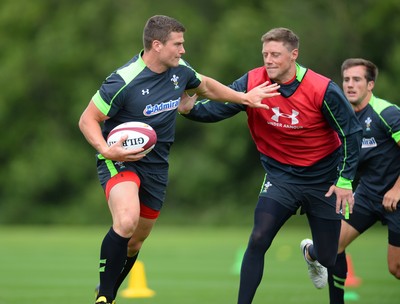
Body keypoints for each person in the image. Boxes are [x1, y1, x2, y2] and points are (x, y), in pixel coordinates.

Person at [78, 15, 280, 304]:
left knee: (135, 242)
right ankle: (105, 299)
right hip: (120, 159)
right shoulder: (123, 81)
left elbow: (206, 86)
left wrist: (244, 98)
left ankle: (105, 289)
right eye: (178, 44)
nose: (183, 50)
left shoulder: (180, 71)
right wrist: (107, 150)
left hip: (157, 166)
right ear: (157, 45)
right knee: (126, 221)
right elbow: (87, 119)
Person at [178, 27, 363, 303]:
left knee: (328, 255)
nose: (269, 60)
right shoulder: (254, 80)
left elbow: (352, 133)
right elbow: (223, 106)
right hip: (281, 176)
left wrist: (345, 181)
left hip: (323, 178)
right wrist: (191, 111)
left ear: (294, 55)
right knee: (259, 237)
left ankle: (311, 254)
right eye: (265, 54)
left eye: (276, 54)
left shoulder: (322, 89)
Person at [305, 58, 400, 303]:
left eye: (356, 79)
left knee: (396, 268)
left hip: (397, 197)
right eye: (346, 79)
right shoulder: (341, 119)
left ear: (370, 85)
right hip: (367, 195)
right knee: (332, 247)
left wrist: (397, 188)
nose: (349, 84)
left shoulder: (387, 113)